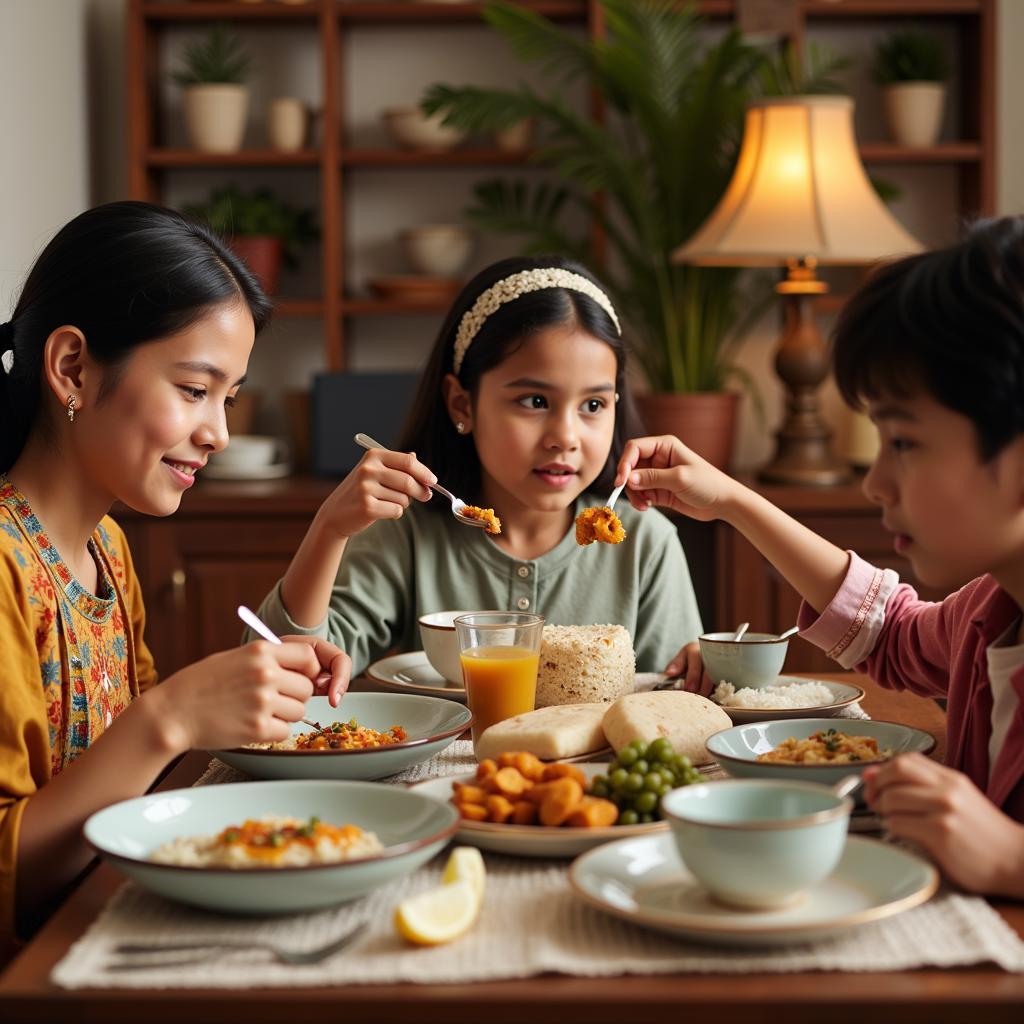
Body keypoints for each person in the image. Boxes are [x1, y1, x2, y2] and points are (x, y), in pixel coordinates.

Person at [613, 216, 1024, 898]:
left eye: (902, 442)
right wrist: (732, 501)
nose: (874, 484)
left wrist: (1011, 859)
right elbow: (886, 630)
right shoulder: (989, 611)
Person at [0, 201, 350, 958]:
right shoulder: (3, 564)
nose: (220, 431)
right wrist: (172, 717)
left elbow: (144, 786)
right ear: (73, 368)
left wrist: (233, 698)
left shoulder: (110, 550)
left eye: (227, 397)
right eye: (195, 390)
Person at [253, 255, 705, 679]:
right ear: (461, 403)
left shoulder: (646, 544)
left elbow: (671, 700)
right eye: (535, 401)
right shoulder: (406, 533)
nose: (565, 437)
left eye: (592, 404)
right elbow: (286, 669)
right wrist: (330, 528)